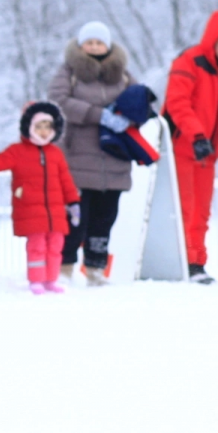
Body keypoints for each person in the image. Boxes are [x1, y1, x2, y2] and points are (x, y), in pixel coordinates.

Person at [49, 20, 137, 287]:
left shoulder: (122, 74)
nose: (94, 47)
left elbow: (139, 100)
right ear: (81, 45)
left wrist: (129, 117)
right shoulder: (69, 71)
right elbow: (59, 99)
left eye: (99, 42)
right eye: (90, 42)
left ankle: (96, 268)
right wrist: (98, 115)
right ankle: (65, 267)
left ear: (108, 46)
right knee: (75, 217)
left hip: (114, 160)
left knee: (105, 217)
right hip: (77, 159)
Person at [164, 8, 218, 283]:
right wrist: (197, 136)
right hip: (185, 148)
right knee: (186, 208)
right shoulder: (189, 62)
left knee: (202, 210)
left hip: (207, 154)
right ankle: (185, 262)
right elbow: (178, 104)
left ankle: (198, 261)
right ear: (212, 39)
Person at [0, 101, 81, 294]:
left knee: (56, 246)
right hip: (32, 210)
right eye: (38, 127)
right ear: (28, 127)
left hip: (56, 212)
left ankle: (51, 279)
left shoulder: (56, 154)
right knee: (37, 247)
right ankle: (36, 280)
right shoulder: (18, 151)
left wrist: (73, 202)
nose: (43, 131)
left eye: (47, 127)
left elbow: (66, 180)